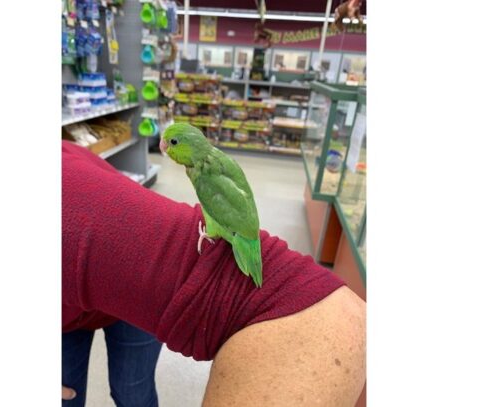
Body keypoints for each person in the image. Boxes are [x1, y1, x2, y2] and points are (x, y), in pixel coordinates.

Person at [62, 141, 366, 406]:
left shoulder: (73, 204)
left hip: (125, 287)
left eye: (172, 143)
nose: (164, 148)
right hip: (68, 315)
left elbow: (335, 317)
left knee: (131, 393)